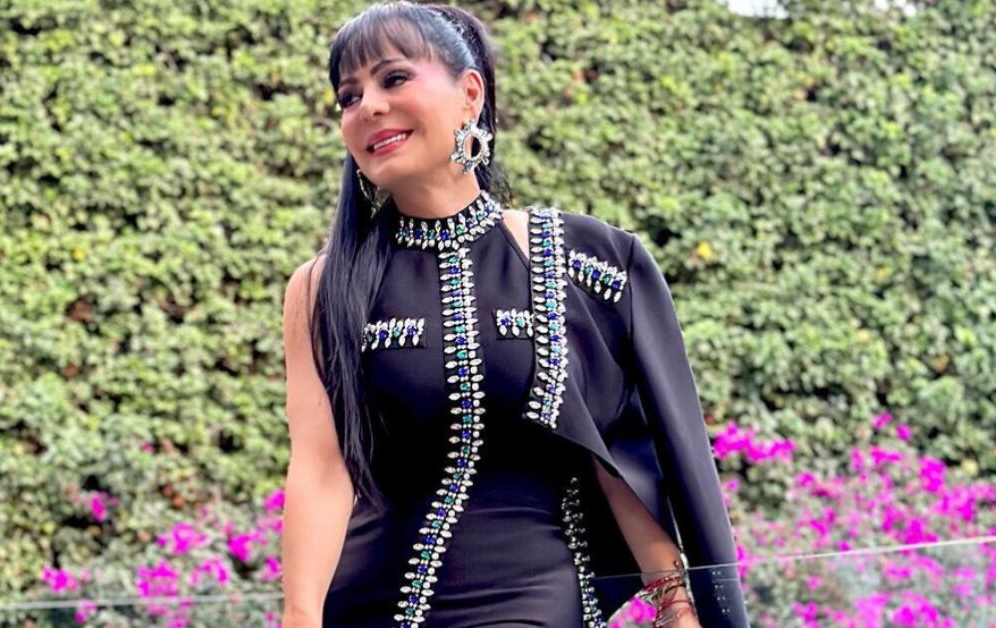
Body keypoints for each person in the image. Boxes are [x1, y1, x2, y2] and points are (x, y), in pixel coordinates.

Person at [280, 2, 749, 626]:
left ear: (469, 94)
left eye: (393, 78)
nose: (368, 106)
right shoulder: (323, 286)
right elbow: (320, 469)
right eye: (348, 96)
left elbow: (612, 447)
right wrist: (300, 617)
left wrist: (674, 600)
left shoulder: (582, 259)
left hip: (534, 601)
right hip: (366, 606)